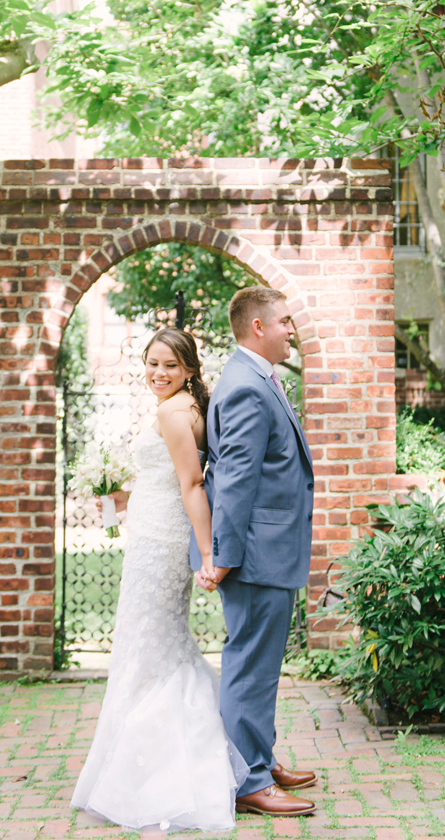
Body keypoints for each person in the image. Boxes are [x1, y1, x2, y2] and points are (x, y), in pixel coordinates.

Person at [71, 327, 246, 833]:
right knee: (157, 644)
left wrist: (210, 552)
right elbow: (168, 477)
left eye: (170, 365)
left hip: (160, 543)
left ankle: (157, 775)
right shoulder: (188, 407)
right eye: (152, 363)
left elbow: (193, 484)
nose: (158, 373)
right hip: (150, 528)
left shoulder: (173, 412)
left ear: (189, 368)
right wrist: (118, 498)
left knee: (146, 646)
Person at [191, 286, 317, 817]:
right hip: (255, 554)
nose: (292, 330)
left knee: (263, 664)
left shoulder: (257, 377)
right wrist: (223, 555)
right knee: (250, 664)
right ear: (258, 327)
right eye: (285, 321)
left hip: (268, 549)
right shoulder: (246, 385)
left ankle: (258, 759)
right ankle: (247, 782)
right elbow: (237, 480)